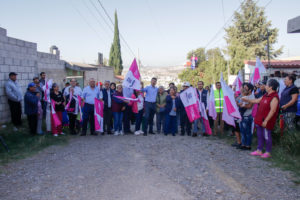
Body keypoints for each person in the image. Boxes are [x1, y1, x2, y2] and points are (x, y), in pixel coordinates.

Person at [243, 79, 280, 158]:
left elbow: (273, 110)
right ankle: (259, 150)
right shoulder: (266, 95)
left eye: (266, 85)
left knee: (267, 135)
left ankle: (268, 152)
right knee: (260, 135)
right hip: (260, 119)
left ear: (271, 87)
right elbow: (256, 101)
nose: (265, 86)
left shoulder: (274, 97)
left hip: (266, 120)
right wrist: (247, 99)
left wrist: (266, 120)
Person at [238, 83, 254, 150]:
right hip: (242, 115)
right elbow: (238, 102)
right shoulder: (244, 96)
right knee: (242, 131)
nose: (244, 88)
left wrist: (243, 105)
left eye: (246, 87)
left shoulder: (252, 96)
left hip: (247, 116)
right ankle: (243, 144)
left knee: (247, 132)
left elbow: (250, 106)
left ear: (250, 90)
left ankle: (248, 145)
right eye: (243, 87)